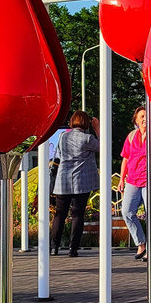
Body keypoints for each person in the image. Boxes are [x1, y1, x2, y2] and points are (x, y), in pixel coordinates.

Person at [118, 105, 151, 260]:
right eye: (142, 116)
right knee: (127, 212)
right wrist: (121, 179)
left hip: (150, 182)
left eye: (147, 116)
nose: (145, 119)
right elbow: (125, 158)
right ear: (136, 120)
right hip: (132, 180)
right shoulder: (131, 136)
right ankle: (141, 243)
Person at [51, 110, 100, 257]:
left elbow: (58, 155)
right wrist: (97, 128)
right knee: (78, 214)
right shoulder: (88, 139)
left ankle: (54, 247)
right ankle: (73, 249)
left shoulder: (62, 136)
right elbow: (103, 147)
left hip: (63, 180)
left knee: (60, 214)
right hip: (81, 181)